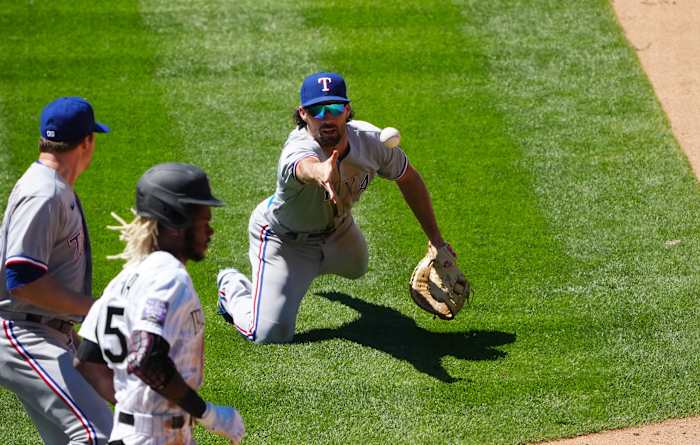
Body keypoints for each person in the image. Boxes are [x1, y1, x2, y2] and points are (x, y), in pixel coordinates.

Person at [217, 71, 454, 344]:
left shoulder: (372, 141)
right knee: (269, 334)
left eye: (334, 107)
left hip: (338, 233)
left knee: (358, 266)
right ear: (303, 114)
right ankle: (231, 288)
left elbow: (408, 178)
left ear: (347, 110)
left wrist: (436, 240)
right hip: (284, 241)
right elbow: (304, 167)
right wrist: (321, 171)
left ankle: (304, 273)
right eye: (317, 109)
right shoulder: (296, 149)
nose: (326, 117)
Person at [73, 163, 245, 445]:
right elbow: (147, 357)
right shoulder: (169, 277)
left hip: (132, 434)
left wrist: (137, 407)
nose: (210, 232)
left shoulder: (126, 277)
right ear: (176, 225)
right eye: (203, 222)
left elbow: (87, 360)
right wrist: (209, 414)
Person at [0, 97, 114, 444]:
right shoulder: (44, 193)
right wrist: (93, 308)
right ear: (86, 142)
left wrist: (77, 341)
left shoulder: (52, 187)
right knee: (97, 435)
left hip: (46, 331)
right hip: (22, 334)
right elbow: (21, 281)